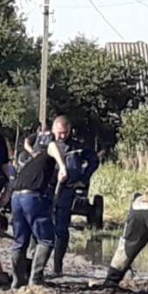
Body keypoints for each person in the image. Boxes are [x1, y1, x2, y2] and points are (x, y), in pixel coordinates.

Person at [29, 116, 100, 277]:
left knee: (61, 228)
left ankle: (57, 267)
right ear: (53, 130)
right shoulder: (43, 144)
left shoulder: (77, 147)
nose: (62, 136)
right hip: (45, 190)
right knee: (38, 226)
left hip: (67, 190)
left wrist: (83, 178)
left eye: (65, 133)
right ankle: (34, 266)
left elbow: (94, 160)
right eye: (59, 133)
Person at [9, 137, 68, 288]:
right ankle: (35, 279)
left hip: (16, 197)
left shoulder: (32, 162)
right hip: (32, 197)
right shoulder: (48, 154)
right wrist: (62, 166)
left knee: (20, 241)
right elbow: (53, 146)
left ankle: (17, 280)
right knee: (46, 240)